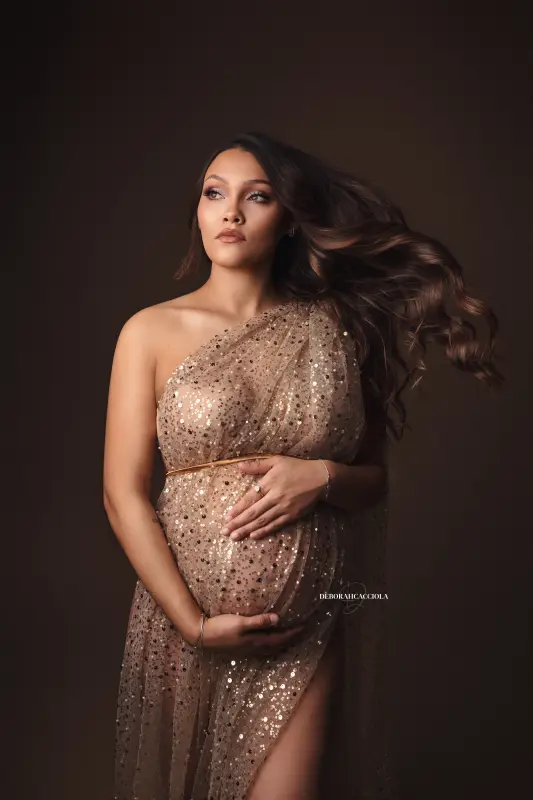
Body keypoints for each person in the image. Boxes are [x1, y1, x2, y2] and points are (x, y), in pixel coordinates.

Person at [103, 131, 504, 800]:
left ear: (287, 217)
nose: (229, 213)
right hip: (183, 626)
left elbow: (371, 479)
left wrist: (319, 476)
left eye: (255, 197)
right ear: (198, 211)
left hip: (303, 631)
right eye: (213, 194)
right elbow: (123, 495)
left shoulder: (335, 326)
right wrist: (193, 624)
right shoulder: (150, 331)